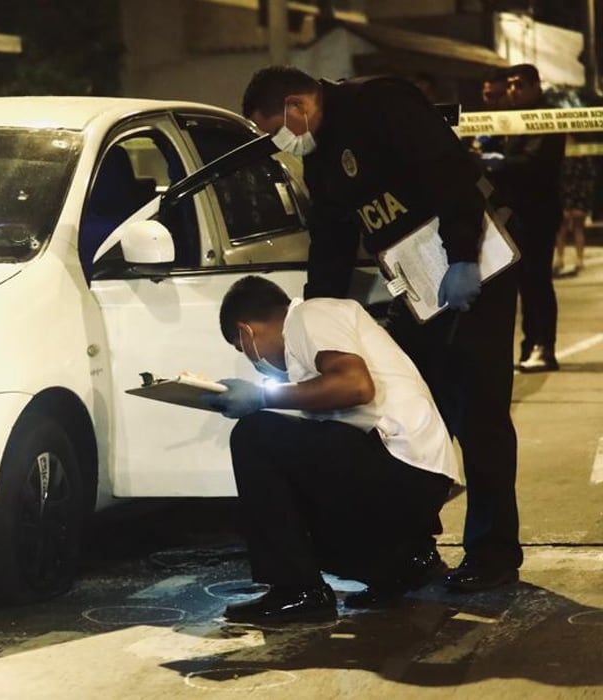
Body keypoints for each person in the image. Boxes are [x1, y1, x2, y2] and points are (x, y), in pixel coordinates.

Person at [240, 66, 523, 594]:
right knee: (410, 409)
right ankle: (413, 548)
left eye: (274, 129)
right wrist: (313, 314)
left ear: (298, 105)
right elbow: (331, 243)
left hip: (473, 273)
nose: (278, 143)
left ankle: (494, 551)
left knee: (479, 413)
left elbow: (448, 172)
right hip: (418, 290)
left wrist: (462, 256)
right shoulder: (322, 159)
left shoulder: (380, 106)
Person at [201, 276, 457, 623]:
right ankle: (405, 560)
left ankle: (296, 590)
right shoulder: (307, 351)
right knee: (283, 448)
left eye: (240, 347)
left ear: (246, 331)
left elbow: (355, 386)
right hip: (414, 475)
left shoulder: (310, 315)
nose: (250, 360)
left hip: (400, 464)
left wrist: (262, 398)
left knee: (252, 435)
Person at [490, 64, 566, 372]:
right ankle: (529, 345)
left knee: (537, 281)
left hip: (538, 212)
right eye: (509, 85)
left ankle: (543, 347)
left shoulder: (545, 116)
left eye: (519, 85)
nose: (512, 90)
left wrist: (498, 163)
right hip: (518, 212)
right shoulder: (515, 118)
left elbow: (534, 163)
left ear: (536, 86)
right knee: (524, 282)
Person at [554, 135, 593, 276]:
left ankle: (578, 259)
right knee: (562, 229)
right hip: (566, 194)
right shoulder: (560, 153)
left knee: (576, 228)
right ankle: (560, 258)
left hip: (576, 195)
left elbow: (589, 176)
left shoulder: (582, 153)